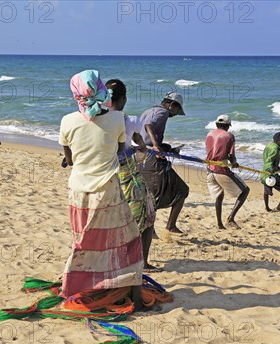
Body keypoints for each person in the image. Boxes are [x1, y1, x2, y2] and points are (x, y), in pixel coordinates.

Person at [59, 70, 143, 310]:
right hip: (107, 190)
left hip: (78, 191)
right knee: (127, 241)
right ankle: (135, 298)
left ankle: (82, 284)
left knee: (84, 241)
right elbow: (118, 150)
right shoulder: (117, 118)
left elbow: (71, 158)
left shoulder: (67, 121)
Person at [106, 79, 158, 272]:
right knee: (146, 214)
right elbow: (140, 147)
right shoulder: (131, 121)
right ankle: (142, 261)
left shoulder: (97, 120)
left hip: (104, 172)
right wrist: (143, 146)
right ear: (124, 98)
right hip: (127, 175)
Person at [136, 92, 189, 234]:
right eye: (177, 110)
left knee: (151, 193)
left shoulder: (149, 110)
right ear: (172, 105)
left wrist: (167, 147)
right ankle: (168, 226)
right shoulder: (163, 112)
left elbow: (142, 134)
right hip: (151, 157)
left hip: (140, 156)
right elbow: (148, 126)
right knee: (182, 190)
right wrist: (156, 146)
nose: (176, 114)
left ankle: (148, 228)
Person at [205, 115, 250, 229]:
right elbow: (231, 155)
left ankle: (220, 224)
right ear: (227, 126)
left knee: (219, 197)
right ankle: (230, 218)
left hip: (209, 170)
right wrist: (234, 162)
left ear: (216, 124)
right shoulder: (229, 136)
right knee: (245, 190)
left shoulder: (209, 134)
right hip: (221, 170)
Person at [261, 132, 280, 212]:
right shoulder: (275, 149)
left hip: (264, 173)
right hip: (271, 174)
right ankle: (279, 206)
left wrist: (278, 168)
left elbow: (268, 159)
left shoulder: (269, 145)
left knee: (266, 190)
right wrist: (272, 169)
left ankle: (267, 207)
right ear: (277, 141)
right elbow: (269, 161)